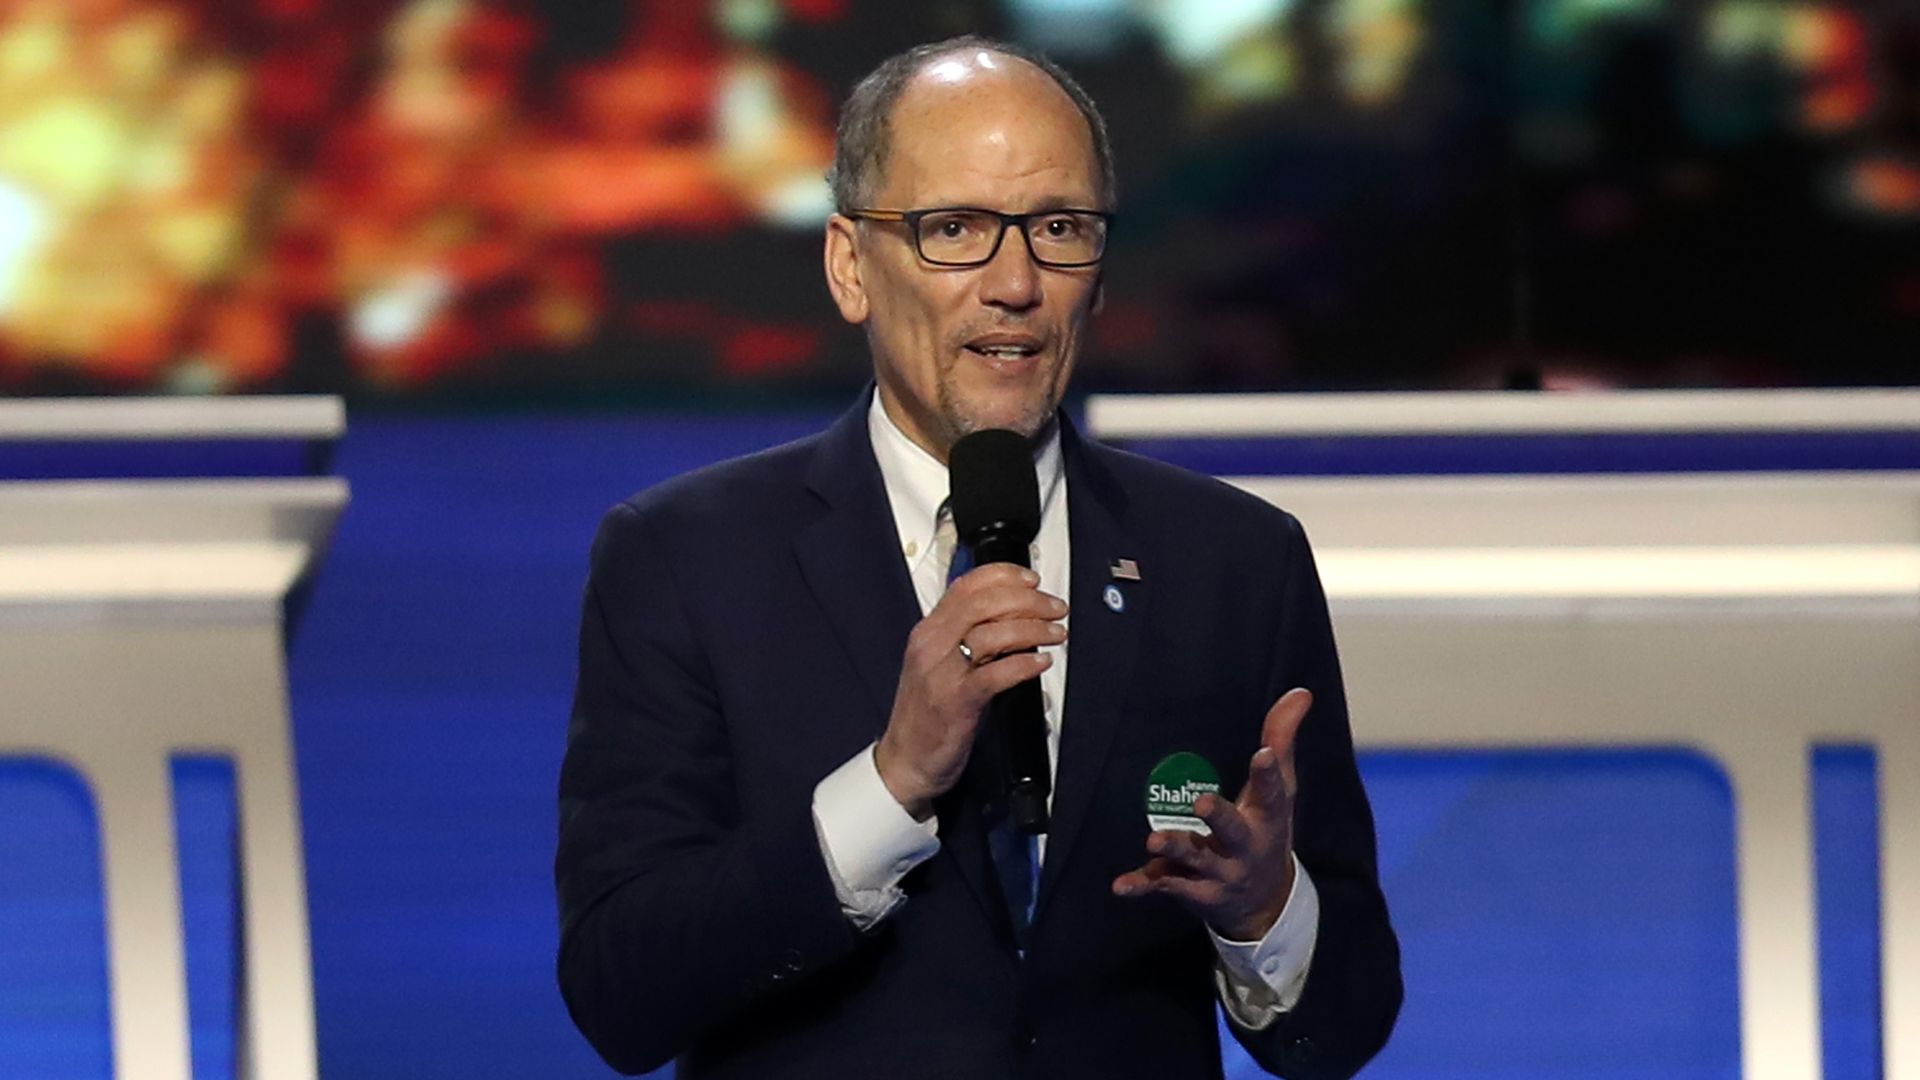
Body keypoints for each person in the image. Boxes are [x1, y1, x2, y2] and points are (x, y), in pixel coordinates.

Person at [555, 35, 1401, 1080]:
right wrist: (890, 783)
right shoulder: (685, 559)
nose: (1015, 282)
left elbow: (1348, 1024)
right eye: (953, 228)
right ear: (850, 267)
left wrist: (1264, 908)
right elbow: (619, 996)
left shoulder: (1234, 561)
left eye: (1058, 228)